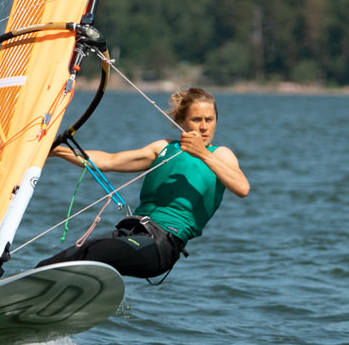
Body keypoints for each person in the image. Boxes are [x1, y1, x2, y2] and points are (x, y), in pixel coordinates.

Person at [34, 87, 249, 279]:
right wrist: (57, 152)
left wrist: (203, 154)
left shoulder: (220, 154)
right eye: (196, 119)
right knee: (52, 263)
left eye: (209, 120)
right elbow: (109, 161)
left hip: (161, 246)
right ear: (182, 122)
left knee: (95, 253)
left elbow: (242, 188)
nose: (203, 127)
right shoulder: (163, 148)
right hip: (132, 233)